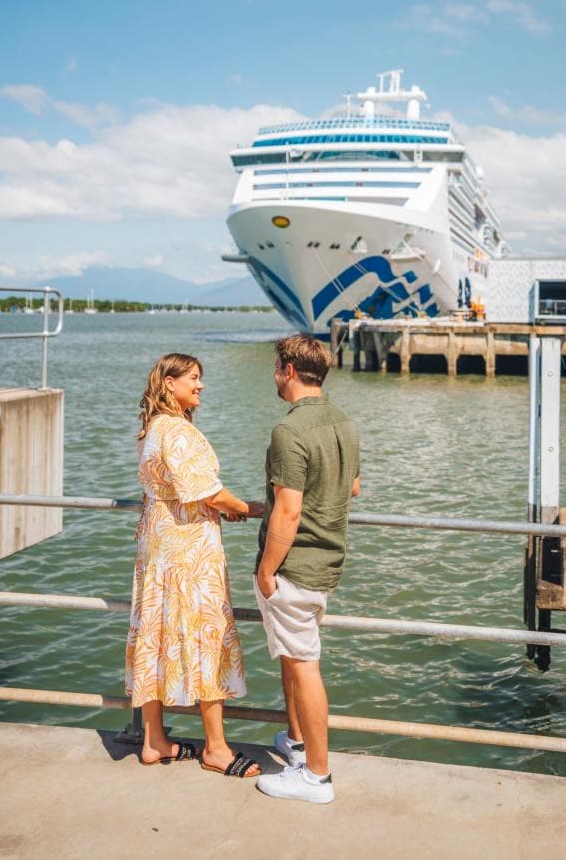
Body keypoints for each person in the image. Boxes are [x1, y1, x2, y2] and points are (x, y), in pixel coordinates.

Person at [125, 352, 263, 777]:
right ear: (170, 383)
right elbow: (209, 493)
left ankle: (154, 740)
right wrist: (253, 509)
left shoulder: (150, 429)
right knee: (204, 632)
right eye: (194, 378)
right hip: (188, 547)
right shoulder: (179, 432)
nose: (200, 385)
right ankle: (216, 749)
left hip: (158, 542)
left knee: (155, 631)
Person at [254, 334, 360, 804]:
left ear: (289, 371)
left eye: (276, 366)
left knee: (304, 664)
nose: (275, 374)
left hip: (295, 565)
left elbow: (288, 510)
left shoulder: (289, 430)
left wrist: (267, 569)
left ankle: (317, 776)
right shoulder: (344, 421)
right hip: (328, 561)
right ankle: (297, 743)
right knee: (295, 660)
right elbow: (351, 488)